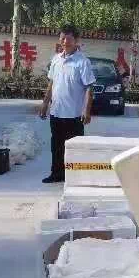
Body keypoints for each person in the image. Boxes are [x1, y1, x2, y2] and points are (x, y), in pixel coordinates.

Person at [39, 24, 95, 184]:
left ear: (76, 40)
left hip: (74, 114)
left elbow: (89, 87)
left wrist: (86, 110)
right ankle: (56, 174)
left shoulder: (82, 62)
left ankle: (75, 177)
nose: (65, 42)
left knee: (75, 148)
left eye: (69, 39)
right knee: (56, 145)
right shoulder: (56, 59)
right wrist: (45, 104)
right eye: (62, 38)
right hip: (56, 112)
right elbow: (51, 83)